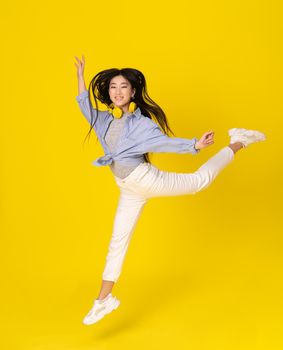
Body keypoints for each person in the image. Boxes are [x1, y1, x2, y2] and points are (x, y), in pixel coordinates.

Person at [74, 55, 266, 325]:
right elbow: (84, 106)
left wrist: (194, 146)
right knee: (117, 241)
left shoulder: (141, 124)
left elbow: (163, 143)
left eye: (123, 87)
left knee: (199, 181)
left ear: (133, 92)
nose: (117, 92)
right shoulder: (105, 121)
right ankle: (104, 300)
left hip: (145, 179)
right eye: (113, 87)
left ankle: (238, 142)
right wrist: (81, 76)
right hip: (129, 189)